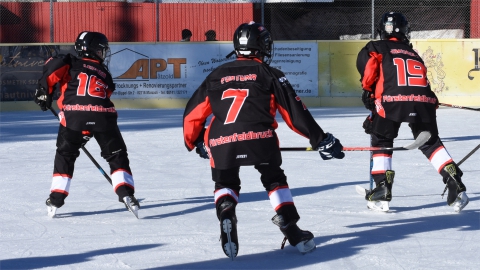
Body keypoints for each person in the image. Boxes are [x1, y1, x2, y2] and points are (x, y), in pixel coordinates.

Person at [183, 21, 345, 259]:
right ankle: (292, 229)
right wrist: (321, 139)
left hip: (221, 140)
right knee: (274, 180)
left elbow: (192, 113)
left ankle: (226, 210)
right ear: (262, 47)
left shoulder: (216, 74)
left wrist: (196, 141)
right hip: (260, 138)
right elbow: (294, 113)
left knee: (225, 183)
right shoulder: (270, 74)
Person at [356, 12, 469, 212]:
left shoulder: (376, 46)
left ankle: (382, 188)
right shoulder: (413, 53)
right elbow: (422, 82)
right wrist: (430, 101)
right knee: (430, 142)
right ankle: (454, 181)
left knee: (382, 138)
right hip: (422, 100)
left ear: (382, 30)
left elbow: (369, 67)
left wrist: (367, 91)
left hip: (391, 101)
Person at [34, 31, 140, 218]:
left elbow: (52, 69)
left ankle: (56, 198)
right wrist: (90, 128)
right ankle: (126, 193)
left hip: (73, 118)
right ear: (89, 49)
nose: (102, 54)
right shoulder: (104, 73)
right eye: (100, 50)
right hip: (104, 118)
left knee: (66, 154)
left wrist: (44, 91)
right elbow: (102, 98)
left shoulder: (69, 61)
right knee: (116, 156)